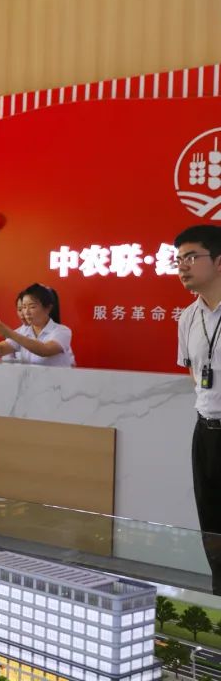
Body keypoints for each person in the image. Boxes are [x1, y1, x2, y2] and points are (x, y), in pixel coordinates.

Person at [174, 224, 221, 595]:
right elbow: (194, 371)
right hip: (205, 431)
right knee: (212, 527)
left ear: (219, 262)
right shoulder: (188, 317)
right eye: (178, 259)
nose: (183, 266)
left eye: (191, 257)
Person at [0, 284, 75, 366]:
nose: (26, 312)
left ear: (48, 308)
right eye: (24, 307)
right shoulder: (22, 331)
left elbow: (45, 350)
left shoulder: (62, 331)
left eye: (32, 307)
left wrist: (10, 333)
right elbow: (1, 349)